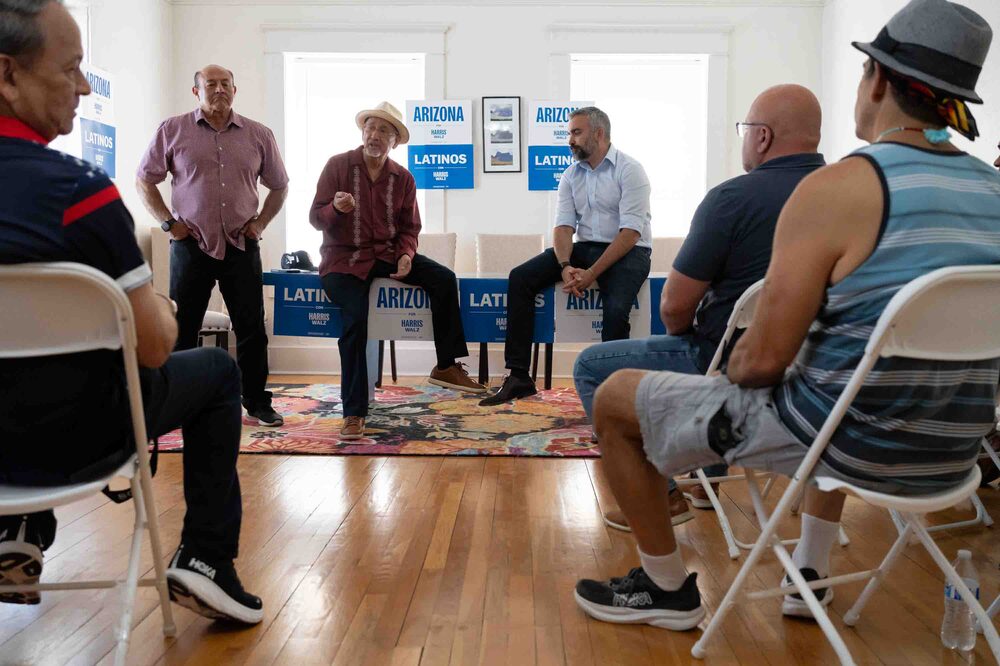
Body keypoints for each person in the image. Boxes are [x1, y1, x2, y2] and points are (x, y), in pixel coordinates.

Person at [573, 0, 1000, 632]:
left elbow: (762, 362)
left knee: (613, 393)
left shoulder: (840, 188)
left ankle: (666, 589)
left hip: (852, 445)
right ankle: (809, 573)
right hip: (953, 456)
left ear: (877, 80)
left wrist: (741, 361)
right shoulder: (992, 190)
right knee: (842, 377)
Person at [0, 0, 261, 623]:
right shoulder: (78, 194)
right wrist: (161, 307)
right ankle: (205, 559)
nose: (85, 86)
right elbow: (152, 348)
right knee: (218, 371)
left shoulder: (256, 135)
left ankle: (18, 529)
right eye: (71, 69)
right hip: (80, 442)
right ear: (7, 74)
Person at [575, 85, 825, 530]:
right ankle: (711, 476)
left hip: (733, 361)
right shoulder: (849, 198)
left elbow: (674, 306)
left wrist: (686, 337)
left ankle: (664, 497)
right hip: (815, 373)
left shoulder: (732, 199)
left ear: (762, 137)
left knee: (593, 366)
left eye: (745, 129)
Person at [309, 102, 486, 441]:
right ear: (363, 132)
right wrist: (334, 208)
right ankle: (354, 412)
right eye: (371, 128)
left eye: (384, 131)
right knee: (356, 322)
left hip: (387, 254)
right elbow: (316, 218)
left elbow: (409, 228)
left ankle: (446, 365)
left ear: (395, 141)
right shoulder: (338, 166)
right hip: (343, 259)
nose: (375, 135)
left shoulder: (403, 178)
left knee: (444, 278)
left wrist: (406, 254)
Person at [136, 64, 289, 427]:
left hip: (241, 244)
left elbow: (280, 185)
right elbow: (145, 180)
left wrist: (261, 222)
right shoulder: (172, 130)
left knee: (251, 327)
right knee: (182, 327)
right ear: (196, 92)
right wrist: (169, 225)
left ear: (235, 90)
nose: (219, 90)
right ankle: (180, 403)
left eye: (225, 84)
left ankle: (256, 402)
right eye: (211, 84)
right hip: (191, 246)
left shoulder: (258, 134)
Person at [481, 106, 652, 406]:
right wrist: (564, 266)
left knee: (615, 310)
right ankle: (519, 376)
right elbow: (563, 228)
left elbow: (630, 233)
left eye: (576, 132)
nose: (569, 140)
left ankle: (612, 392)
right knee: (520, 278)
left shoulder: (630, 169)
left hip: (629, 251)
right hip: (585, 247)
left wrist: (592, 274)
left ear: (598, 133)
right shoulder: (571, 174)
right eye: (569, 133)